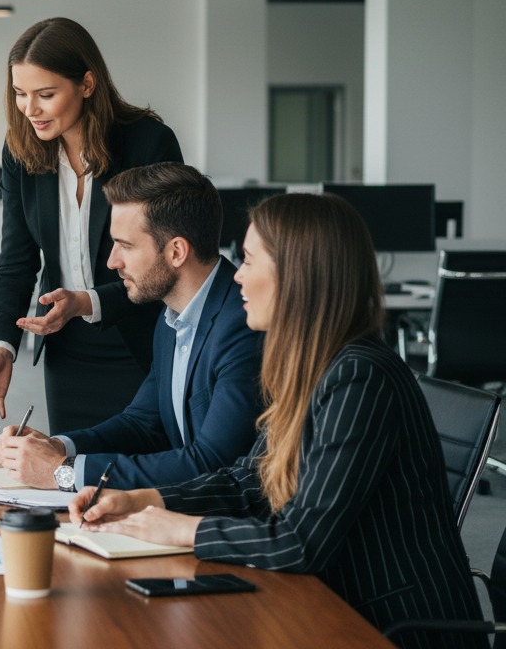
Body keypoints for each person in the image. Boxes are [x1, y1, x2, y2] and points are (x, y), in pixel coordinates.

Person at [71, 192, 484, 648]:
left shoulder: (359, 376)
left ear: (298, 275)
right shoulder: (308, 366)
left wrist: (183, 528)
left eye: (247, 260)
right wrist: (145, 500)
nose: (238, 277)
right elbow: (250, 479)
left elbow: (301, 541)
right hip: (329, 603)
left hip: (387, 627)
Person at [0, 163, 262, 491]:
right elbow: (142, 425)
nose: (112, 261)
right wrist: (59, 447)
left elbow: (212, 463)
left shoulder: (243, 325)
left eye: (126, 245)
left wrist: (62, 472)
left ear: (176, 251)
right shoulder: (172, 317)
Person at [0, 17, 184, 435]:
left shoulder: (148, 143)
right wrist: (3, 347)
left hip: (139, 344)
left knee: (137, 477)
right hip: (66, 348)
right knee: (72, 474)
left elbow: (163, 262)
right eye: (20, 94)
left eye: (45, 94)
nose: (29, 109)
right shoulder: (20, 152)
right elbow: (16, 258)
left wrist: (87, 301)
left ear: (87, 84)